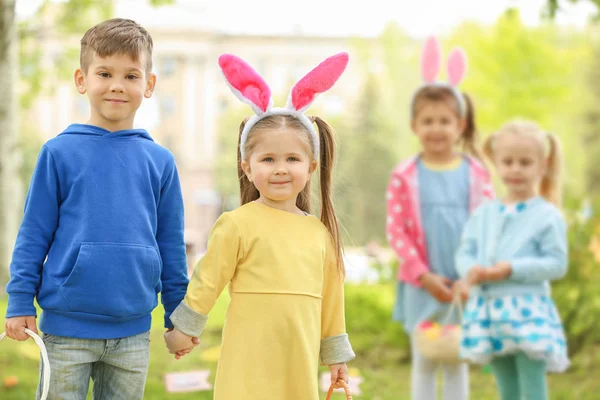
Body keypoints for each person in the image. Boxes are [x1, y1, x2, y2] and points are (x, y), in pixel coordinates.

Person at [3, 18, 191, 400]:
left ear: (149, 85)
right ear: (81, 79)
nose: (117, 85)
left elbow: (169, 244)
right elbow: (34, 233)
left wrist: (177, 316)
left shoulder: (161, 161)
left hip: (133, 334)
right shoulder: (58, 153)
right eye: (105, 73)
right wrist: (20, 300)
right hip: (65, 332)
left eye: (131, 75)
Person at [164, 52, 355, 399]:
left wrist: (336, 355)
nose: (280, 168)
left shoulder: (319, 234)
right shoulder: (237, 224)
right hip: (247, 361)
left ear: (311, 167)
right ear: (248, 168)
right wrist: (184, 328)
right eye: (268, 159)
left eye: (292, 159)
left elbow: (332, 299)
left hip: (297, 360)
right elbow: (208, 281)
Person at [386, 36, 493, 400]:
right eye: (428, 121)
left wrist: (470, 275)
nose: (436, 128)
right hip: (422, 284)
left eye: (444, 121)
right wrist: (423, 275)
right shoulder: (405, 175)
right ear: (415, 125)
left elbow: (487, 226)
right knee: (426, 360)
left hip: (463, 283)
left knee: (455, 360)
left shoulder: (476, 174)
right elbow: (397, 232)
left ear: (459, 125)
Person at [454, 119, 569, 400]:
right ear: (497, 164)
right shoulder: (485, 213)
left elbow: (556, 262)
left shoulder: (546, 215)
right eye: (508, 162)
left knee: (531, 387)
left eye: (525, 162)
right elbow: (465, 250)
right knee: (506, 387)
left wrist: (511, 269)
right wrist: (471, 270)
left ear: (542, 166)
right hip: (489, 311)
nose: (515, 169)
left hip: (528, 312)